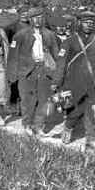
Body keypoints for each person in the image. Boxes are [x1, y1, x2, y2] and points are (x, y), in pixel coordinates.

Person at [54, 9, 95, 154]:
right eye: (85, 22)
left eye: (91, 22)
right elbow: (61, 63)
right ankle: (68, 127)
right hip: (74, 83)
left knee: (92, 112)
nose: (89, 25)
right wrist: (57, 82)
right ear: (79, 23)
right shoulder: (69, 41)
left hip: (93, 83)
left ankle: (90, 141)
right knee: (74, 112)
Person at [8, 7, 61, 135]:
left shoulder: (50, 35)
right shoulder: (20, 35)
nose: (37, 20)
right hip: (27, 72)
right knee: (27, 100)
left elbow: (56, 55)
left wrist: (57, 74)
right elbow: (13, 56)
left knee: (44, 99)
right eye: (34, 18)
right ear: (30, 19)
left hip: (44, 70)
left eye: (40, 17)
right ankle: (27, 124)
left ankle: (38, 126)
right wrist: (12, 75)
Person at [5, 5, 30, 117]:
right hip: (16, 59)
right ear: (18, 14)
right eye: (22, 13)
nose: (25, 15)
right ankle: (14, 106)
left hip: (30, 59)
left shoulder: (34, 26)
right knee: (14, 83)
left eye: (27, 13)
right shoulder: (11, 28)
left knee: (28, 84)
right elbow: (5, 44)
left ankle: (26, 108)